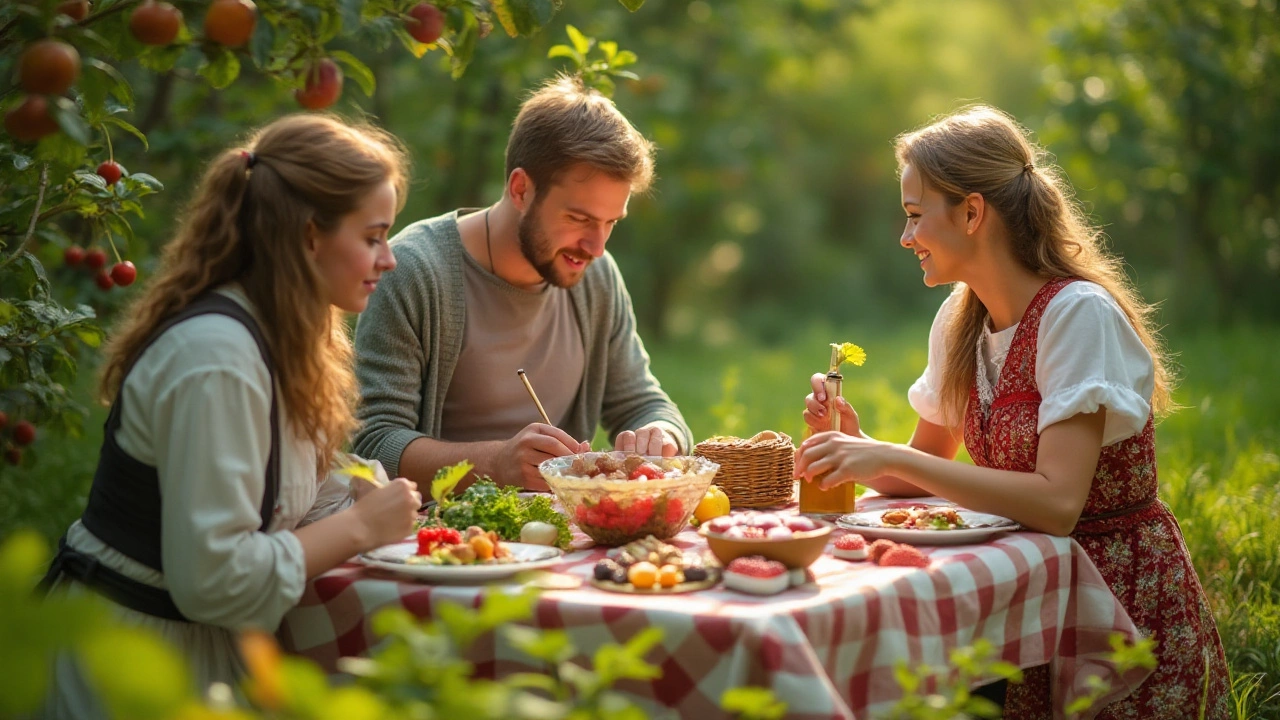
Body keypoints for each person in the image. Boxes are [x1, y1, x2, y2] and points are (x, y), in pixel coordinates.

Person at [793, 106, 1229, 718]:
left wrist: (885, 456)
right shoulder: (959, 320)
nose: (905, 236)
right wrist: (856, 443)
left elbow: (1057, 503)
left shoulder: (1077, 314)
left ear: (972, 213)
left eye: (916, 216)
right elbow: (922, 468)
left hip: (1114, 601)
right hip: (1027, 595)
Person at [42, 114, 423, 713]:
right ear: (308, 236)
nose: (390, 259)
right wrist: (362, 526)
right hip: (131, 664)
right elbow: (215, 581)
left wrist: (356, 489)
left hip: (198, 656)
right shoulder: (218, 358)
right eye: (373, 236)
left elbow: (277, 485)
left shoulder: (282, 336)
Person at [352, 74, 692, 491]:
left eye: (610, 224)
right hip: (440, 541)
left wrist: (661, 435)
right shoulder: (414, 270)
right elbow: (373, 443)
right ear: (520, 189)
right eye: (580, 219)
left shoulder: (596, 276)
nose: (596, 247)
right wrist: (494, 463)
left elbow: (644, 403)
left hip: (558, 536)